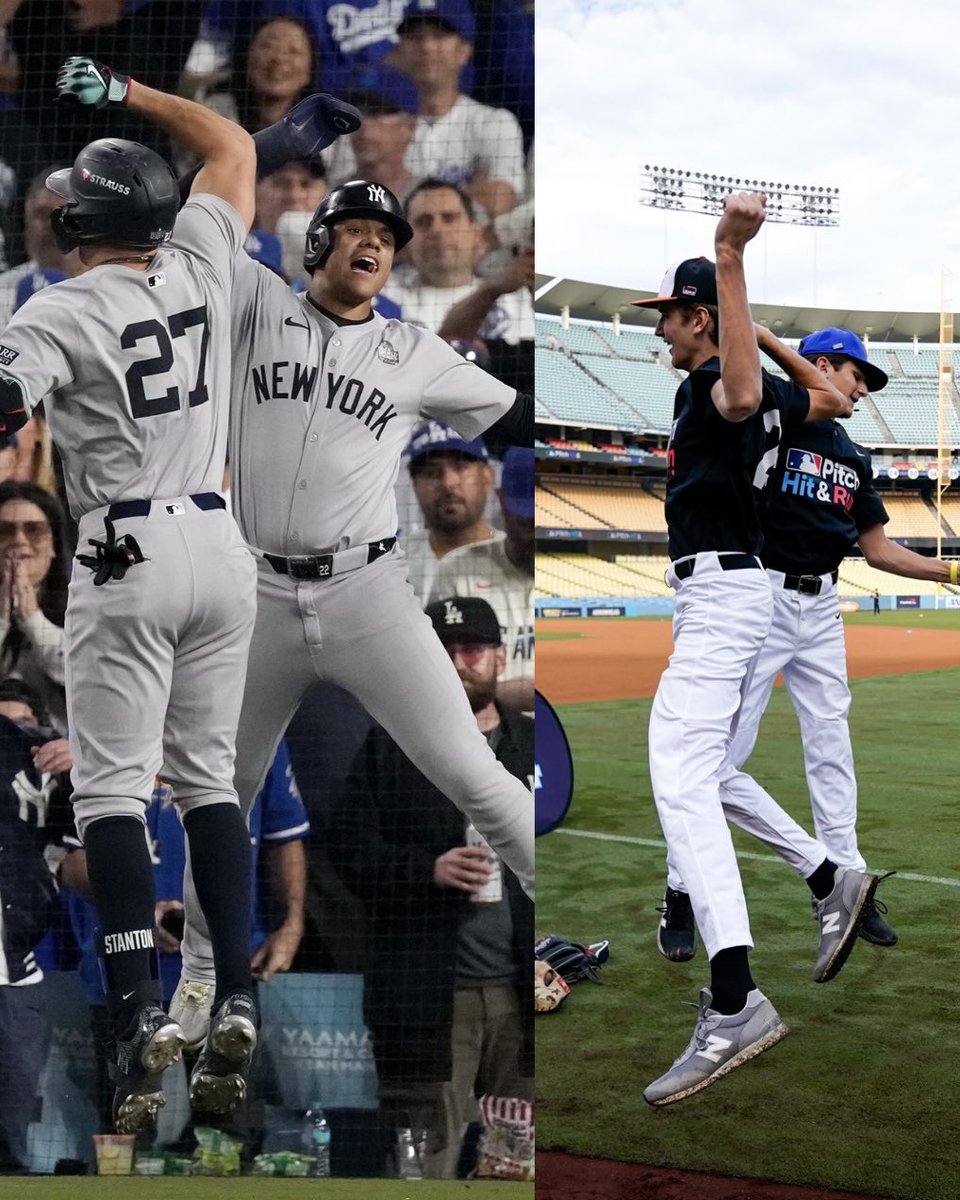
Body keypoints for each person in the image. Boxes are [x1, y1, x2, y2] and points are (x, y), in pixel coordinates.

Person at [175, 172, 534, 1048]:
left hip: (367, 591)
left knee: (476, 775)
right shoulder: (257, 301)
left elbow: (512, 416)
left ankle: (550, 930)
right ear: (316, 243)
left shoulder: (412, 350)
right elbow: (199, 208)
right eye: (356, 228)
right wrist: (265, 149)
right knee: (220, 793)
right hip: (259, 591)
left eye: (386, 235)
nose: (374, 242)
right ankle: (198, 979)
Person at [0, 55, 263, 1133]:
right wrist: (124, 92)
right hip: (222, 544)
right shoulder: (205, 256)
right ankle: (236, 991)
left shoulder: (56, 310)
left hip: (125, 549)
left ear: (76, 221)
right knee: (209, 786)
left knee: (111, 795)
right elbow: (233, 145)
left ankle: (135, 1010)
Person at [630, 193, 874, 1107]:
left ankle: (735, 1001)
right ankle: (829, 875)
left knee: (679, 774)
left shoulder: (721, 388)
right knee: (713, 769)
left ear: (700, 317)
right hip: (735, 593)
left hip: (725, 591)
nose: (661, 330)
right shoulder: (775, 394)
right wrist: (763, 334)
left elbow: (739, 391)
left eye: (670, 315)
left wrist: (730, 257)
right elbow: (829, 396)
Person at [659, 327, 959, 959]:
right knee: (722, 751)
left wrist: (950, 572)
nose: (863, 389)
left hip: (822, 603)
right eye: (857, 375)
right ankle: (681, 888)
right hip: (758, 592)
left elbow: (877, 549)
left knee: (831, 740)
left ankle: (849, 883)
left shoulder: (853, 455)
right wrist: (766, 342)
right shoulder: (781, 417)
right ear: (821, 365)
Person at [326, 595, 533, 1181]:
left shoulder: (532, 743)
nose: (459, 662)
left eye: (472, 649)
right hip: (427, 998)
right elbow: (346, 848)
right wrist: (427, 870)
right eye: (444, 651)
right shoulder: (391, 745)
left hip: (524, 993)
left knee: (516, 1164)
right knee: (422, 1168)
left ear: (499, 657)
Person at [0, 676, 73, 1174]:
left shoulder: (58, 775)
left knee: (11, 1144)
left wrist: (85, 768)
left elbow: (80, 867)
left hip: (17, 972)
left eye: (25, 725)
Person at [386, 4, 525, 219]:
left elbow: (500, 200)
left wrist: (404, 200)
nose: (427, 47)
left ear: (464, 50)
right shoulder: (375, 127)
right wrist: (471, 191)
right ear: (399, 51)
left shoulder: (494, 122)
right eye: (415, 37)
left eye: (439, 36)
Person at [431, 447, 534, 712]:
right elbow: (436, 681)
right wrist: (519, 694)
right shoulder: (458, 569)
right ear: (502, 501)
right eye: (528, 523)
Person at [384, 179, 534, 345]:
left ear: (477, 234)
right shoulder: (383, 297)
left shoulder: (520, 298)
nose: (437, 230)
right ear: (405, 246)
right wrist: (491, 291)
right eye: (424, 222)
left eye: (449, 218)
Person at [0, 481, 69, 734]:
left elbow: (90, 677)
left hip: (63, 751)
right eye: (4, 530)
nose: (19, 540)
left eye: (34, 530)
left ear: (53, 547)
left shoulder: (86, 608)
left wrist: (32, 619)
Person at [403, 420, 497, 601]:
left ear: (487, 477)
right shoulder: (393, 562)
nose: (448, 483)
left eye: (460, 467)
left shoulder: (514, 556)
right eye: (431, 472)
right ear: (415, 484)